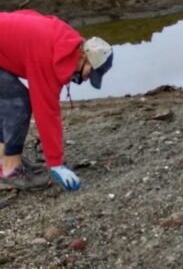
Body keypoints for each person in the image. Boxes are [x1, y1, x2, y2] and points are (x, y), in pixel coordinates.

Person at [0, 10, 113, 191]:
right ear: (84, 56)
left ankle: (5, 160)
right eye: (89, 73)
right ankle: (10, 170)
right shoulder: (46, 55)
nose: (85, 79)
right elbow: (46, 112)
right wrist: (55, 163)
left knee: (9, 101)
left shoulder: (67, 44)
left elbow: (31, 16)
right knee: (18, 103)